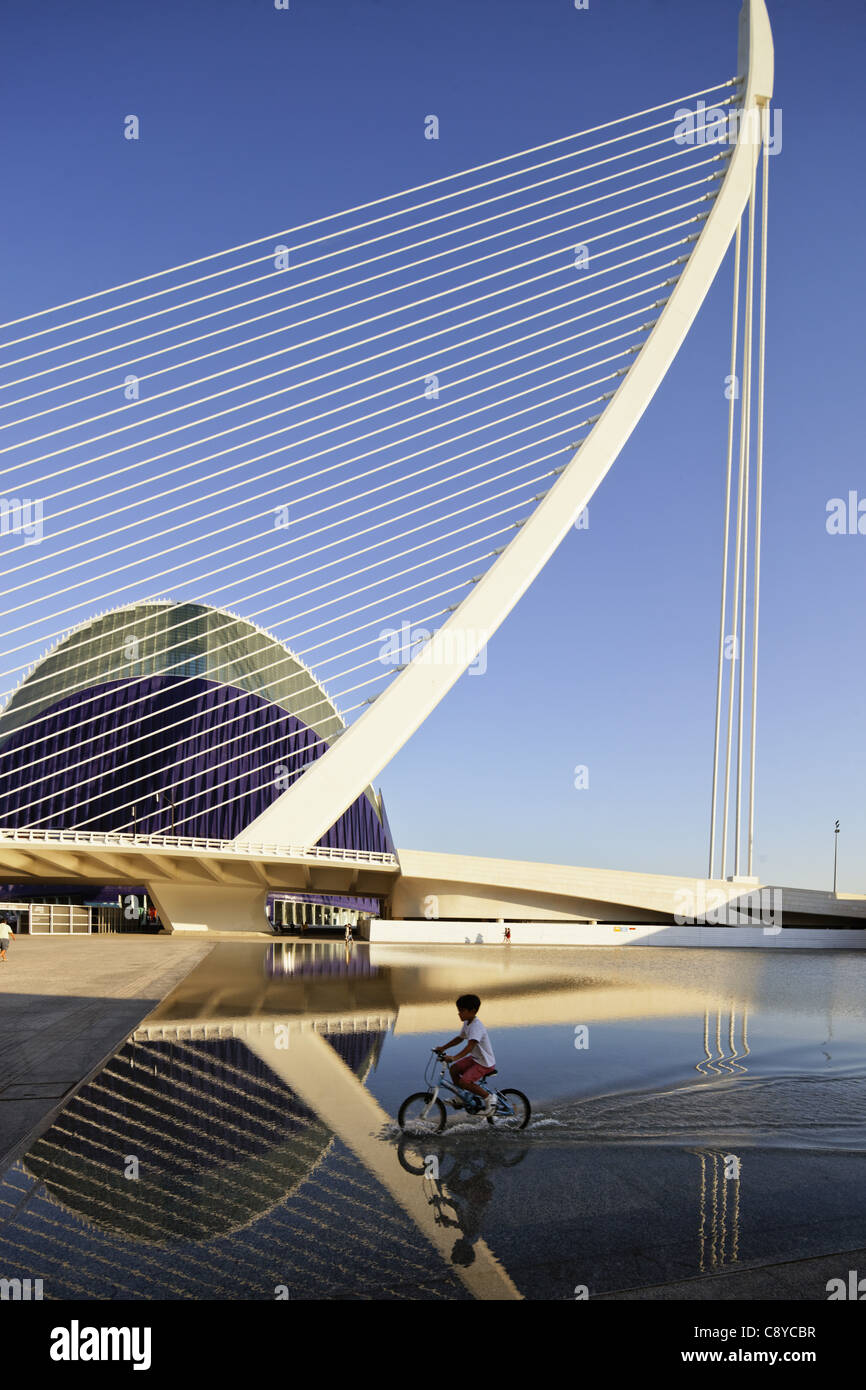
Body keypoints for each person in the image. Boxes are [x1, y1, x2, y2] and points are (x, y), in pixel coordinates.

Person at [434, 993, 497, 1116]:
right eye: (459, 1011)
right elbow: (459, 1038)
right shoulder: (467, 1022)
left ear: (472, 1011)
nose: (459, 1013)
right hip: (475, 1059)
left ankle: (489, 1098)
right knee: (454, 1069)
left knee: (464, 1082)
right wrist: (443, 1048)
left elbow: (470, 1046)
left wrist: (454, 1057)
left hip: (485, 1062)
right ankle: (461, 1096)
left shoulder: (476, 1026)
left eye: (462, 1011)